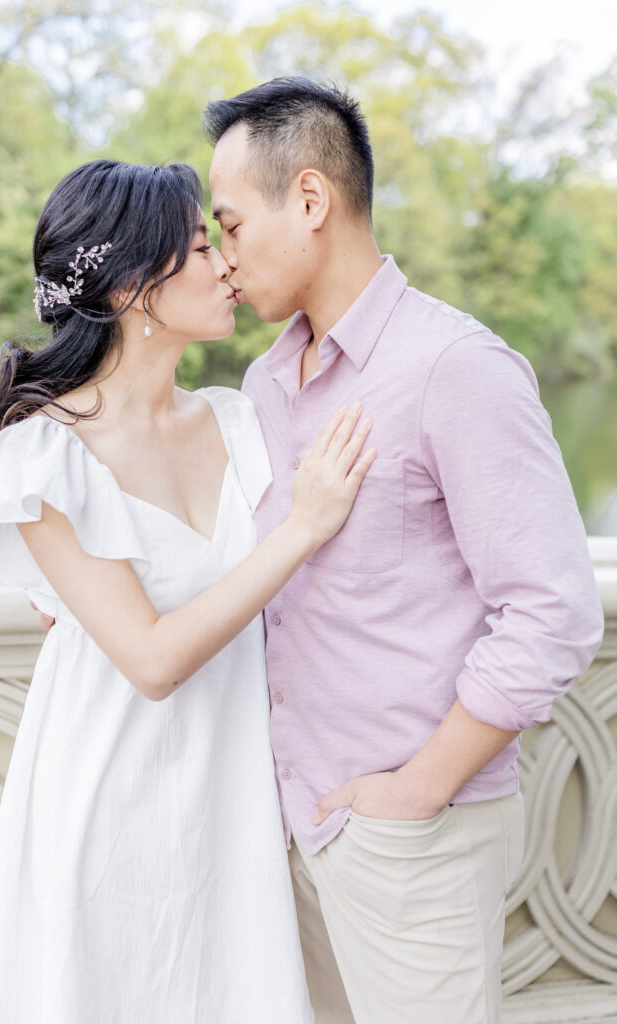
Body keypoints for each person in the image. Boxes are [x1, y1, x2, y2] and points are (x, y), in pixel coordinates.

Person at [0, 158, 377, 1024]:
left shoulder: (240, 420)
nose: (227, 266)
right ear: (137, 288)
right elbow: (149, 658)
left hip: (234, 797)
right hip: (105, 787)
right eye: (203, 248)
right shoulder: (44, 457)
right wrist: (301, 528)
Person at [202, 77, 605, 1024]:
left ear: (309, 200)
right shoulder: (263, 384)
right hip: (283, 833)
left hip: (407, 837)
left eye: (228, 224)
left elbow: (552, 611)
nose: (223, 258)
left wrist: (417, 789)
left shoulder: (454, 368)